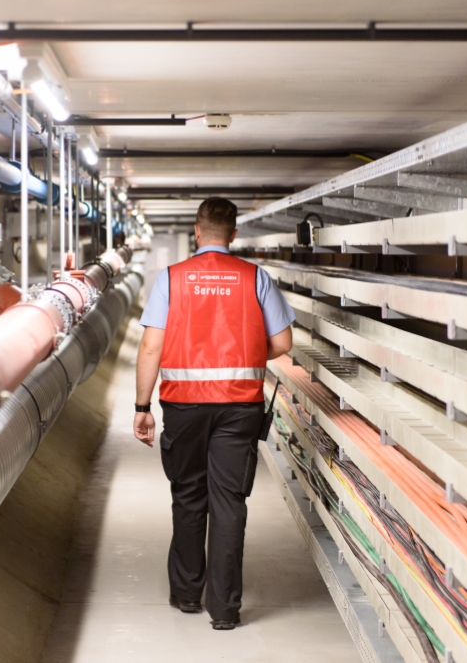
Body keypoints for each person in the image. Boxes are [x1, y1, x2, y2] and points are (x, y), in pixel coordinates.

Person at [132, 196, 295, 630]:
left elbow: (151, 345)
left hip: (183, 405)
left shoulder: (172, 278)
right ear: (234, 234)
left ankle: (187, 594)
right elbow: (282, 343)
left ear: (197, 231)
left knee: (188, 496)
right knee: (228, 504)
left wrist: (142, 406)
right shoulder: (254, 277)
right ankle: (223, 610)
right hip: (239, 407)